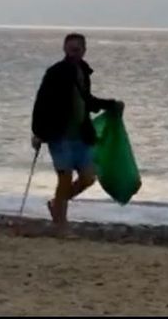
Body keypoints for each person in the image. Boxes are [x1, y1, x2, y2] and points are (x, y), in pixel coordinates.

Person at [30, 32, 122, 230]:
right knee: (64, 179)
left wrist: (111, 105)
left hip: (81, 135)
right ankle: (60, 222)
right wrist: (38, 132)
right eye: (71, 49)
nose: (74, 53)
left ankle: (56, 204)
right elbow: (41, 103)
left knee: (88, 177)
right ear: (64, 49)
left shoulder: (83, 71)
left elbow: (87, 100)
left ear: (84, 50)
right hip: (58, 135)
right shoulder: (55, 72)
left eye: (78, 50)